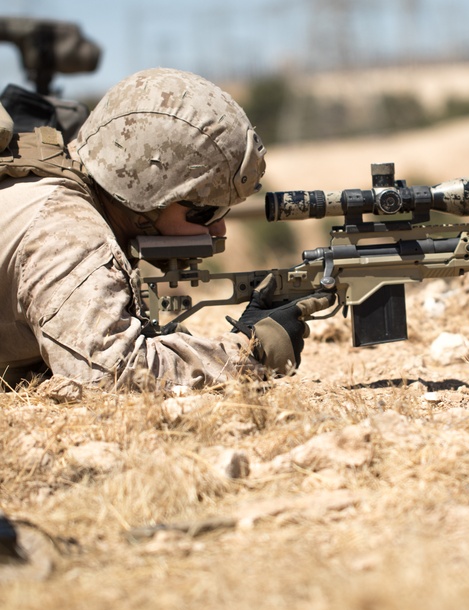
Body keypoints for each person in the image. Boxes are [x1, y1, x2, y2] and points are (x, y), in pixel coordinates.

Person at [0, 68, 331, 390]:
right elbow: (108, 373)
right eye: (204, 212)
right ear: (146, 193)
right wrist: (247, 354)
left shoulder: (66, 181)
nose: (218, 229)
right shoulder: (68, 232)